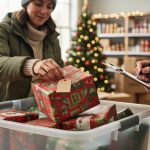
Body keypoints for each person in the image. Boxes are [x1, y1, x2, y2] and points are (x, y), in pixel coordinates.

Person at [0, 0, 64, 101]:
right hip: (8, 107)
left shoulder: (52, 37)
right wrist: (32, 65)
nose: (44, 11)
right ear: (25, 4)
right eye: (38, 4)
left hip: (42, 106)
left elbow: (61, 72)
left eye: (49, 6)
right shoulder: (4, 30)